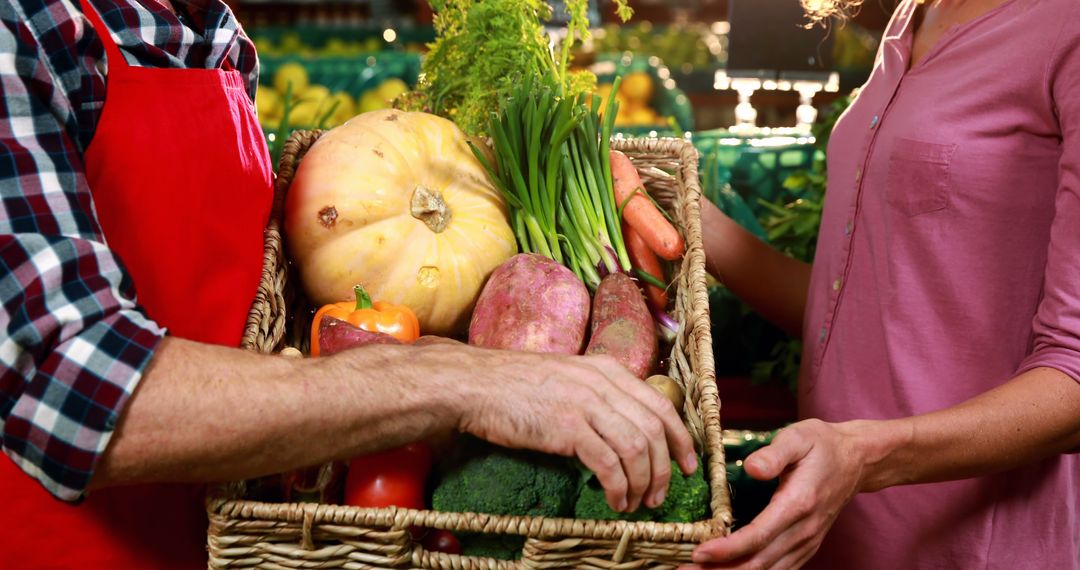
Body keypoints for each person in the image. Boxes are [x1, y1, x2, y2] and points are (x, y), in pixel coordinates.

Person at [0, 0, 695, 567]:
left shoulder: (208, 30)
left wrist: (502, 186)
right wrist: (460, 381)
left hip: (245, 539)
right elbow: (69, 388)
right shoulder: (21, 25)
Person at [686, 0, 1080, 568]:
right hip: (831, 527)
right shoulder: (914, 15)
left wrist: (863, 458)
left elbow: (1073, 376)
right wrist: (689, 220)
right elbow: (854, 311)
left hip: (966, 545)